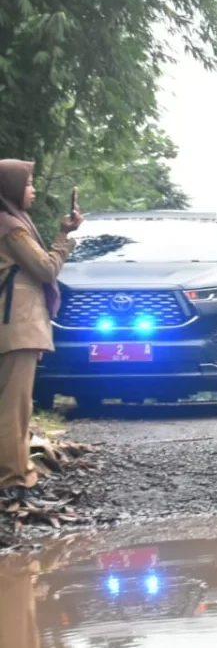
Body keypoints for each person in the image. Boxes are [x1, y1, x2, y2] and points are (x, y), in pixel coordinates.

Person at [0, 159, 82, 505]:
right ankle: (13, 483)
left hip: (16, 325)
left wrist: (63, 231)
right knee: (13, 409)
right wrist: (65, 240)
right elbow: (46, 269)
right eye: (29, 184)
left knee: (14, 407)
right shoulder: (11, 227)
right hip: (16, 325)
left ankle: (17, 478)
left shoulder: (13, 221)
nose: (32, 190)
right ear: (11, 188)